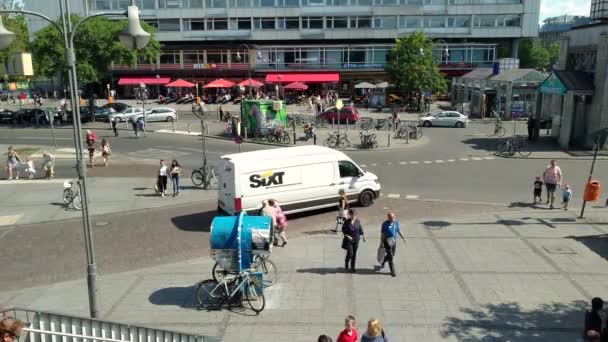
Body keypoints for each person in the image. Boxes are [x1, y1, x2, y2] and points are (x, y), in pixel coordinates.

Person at [380, 212, 407, 277]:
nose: (392, 219)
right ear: (388, 217)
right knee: (391, 257)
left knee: (392, 254)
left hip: (393, 242)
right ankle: (393, 271)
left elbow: (398, 230)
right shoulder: (384, 224)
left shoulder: (396, 223)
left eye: (393, 217)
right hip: (386, 241)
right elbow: (383, 234)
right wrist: (381, 242)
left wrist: (403, 238)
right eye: (391, 218)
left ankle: (383, 260)